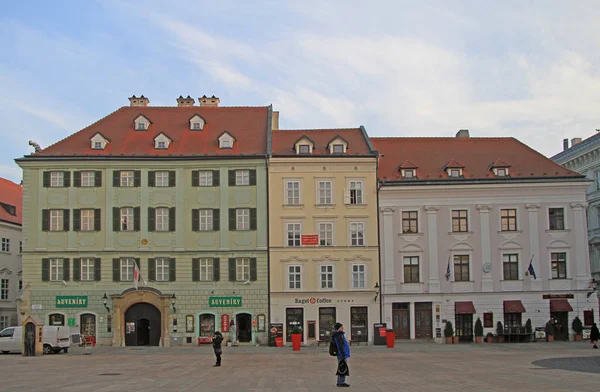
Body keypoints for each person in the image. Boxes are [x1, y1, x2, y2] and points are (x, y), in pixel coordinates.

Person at [332, 322, 350, 387]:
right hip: (342, 354)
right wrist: (343, 354)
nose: (343, 328)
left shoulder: (339, 335)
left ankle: (340, 381)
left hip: (342, 354)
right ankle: (341, 382)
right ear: (338, 328)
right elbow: (340, 346)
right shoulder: (338, 335)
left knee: (341, 367)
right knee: (343, 367)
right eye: (341, 327)